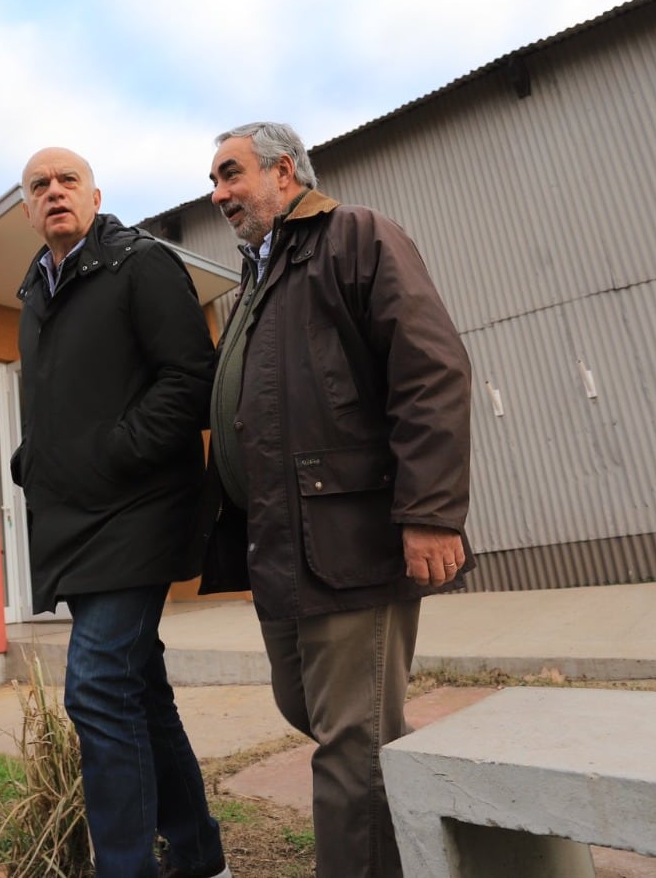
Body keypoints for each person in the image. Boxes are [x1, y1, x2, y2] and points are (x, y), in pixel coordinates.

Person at [201, 121, 473, 878]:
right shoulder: (259, 276)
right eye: (215, 180)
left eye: (231, 174)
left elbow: (432, 367)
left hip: (348, 538)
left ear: (284, 172)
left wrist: (431, 511)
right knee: (319, 714)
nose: (218, 193)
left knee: (352, 744)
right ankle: (444, 830)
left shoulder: (353, 236)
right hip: (282, 546)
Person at [11, 146, 230, 878]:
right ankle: (201, 858)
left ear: (95, 193)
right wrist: (30, 460)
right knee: (140, 690)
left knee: (98, 685)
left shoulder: (137, 263)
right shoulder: (35, 295)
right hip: (75, 521)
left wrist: (115, 449)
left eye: (67, 179)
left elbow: (191, 378)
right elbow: (49, 406)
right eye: (39, 185)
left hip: (140, 509)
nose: (54, 192)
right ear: (27, 208)